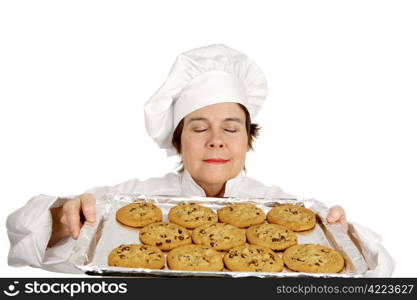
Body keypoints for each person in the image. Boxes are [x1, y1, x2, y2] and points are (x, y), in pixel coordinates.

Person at [6, 44, 394, 276]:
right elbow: (19, 229)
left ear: (247, 139)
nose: (215, 141)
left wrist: (348, 237)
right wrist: (64, 217)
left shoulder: (290, 212)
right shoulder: (132, 200)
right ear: (178, 140)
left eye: (230, 128)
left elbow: (378, 275)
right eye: (198, 128)